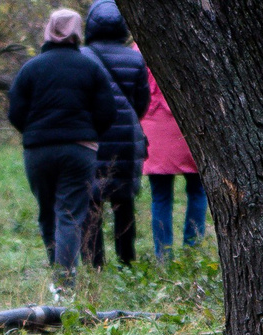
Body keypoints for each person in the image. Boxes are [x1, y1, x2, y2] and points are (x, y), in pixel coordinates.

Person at [6, 9, 119, 282]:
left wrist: (34, 133)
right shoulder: (91, 68)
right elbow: (107, 111)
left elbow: (15, 112)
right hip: (79, 150)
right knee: (69, 214)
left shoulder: (31, 68)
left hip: (38, 151)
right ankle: (64, 281)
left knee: (47, 213)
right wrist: (90, 134)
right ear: (78, 32)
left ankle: (58, 276)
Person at [79, 0, 148, 269]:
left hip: (92, 137)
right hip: (127, 141)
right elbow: (141, 101)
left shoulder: (82, 56)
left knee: (92, 202)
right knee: (123, 202)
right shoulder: (135, 57)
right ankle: (127, 262)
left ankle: (94, 263)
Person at [138, 67, 204, 261]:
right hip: (189, 126)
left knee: (160, 196)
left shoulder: (140, 49)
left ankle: (163, 256)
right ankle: (192, 251)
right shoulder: (196, 45)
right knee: (197, 191)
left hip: (156, 128)